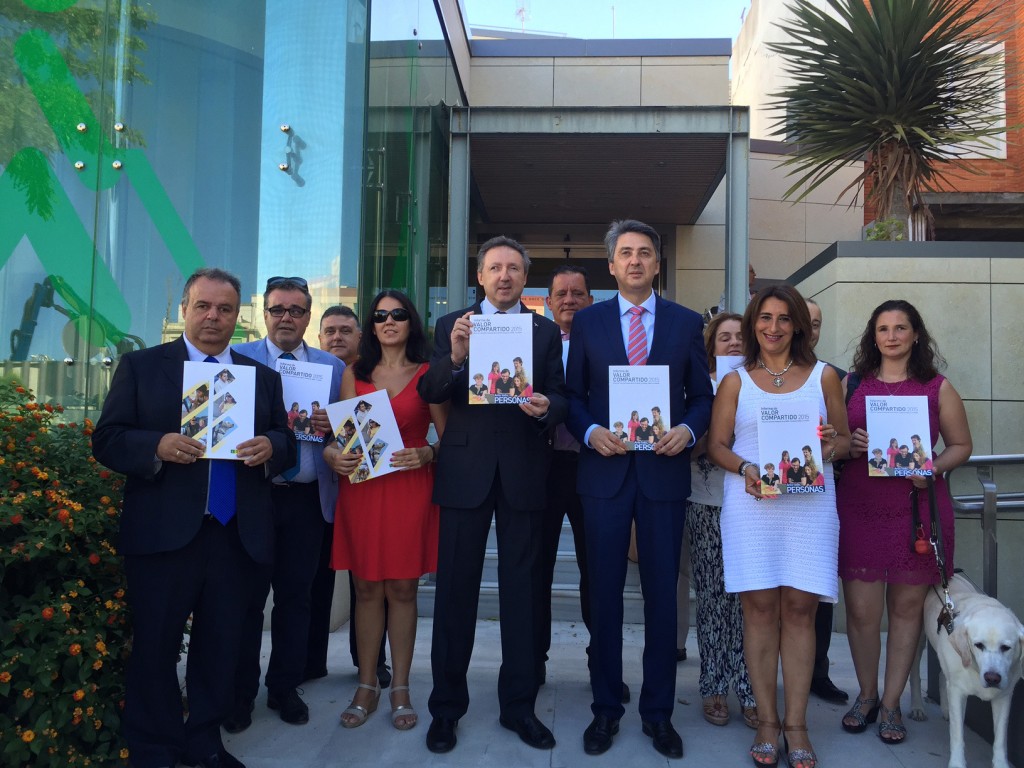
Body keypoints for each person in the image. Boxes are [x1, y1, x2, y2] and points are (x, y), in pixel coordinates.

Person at [92, 268, 295, 768]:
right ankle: (155, 748)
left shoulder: (261, 378)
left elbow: (285, 440)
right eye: (203, 306)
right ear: (185, 309)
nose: (213, 317)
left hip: (235, 535)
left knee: (220, 646)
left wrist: (272, 446)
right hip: (164, 535)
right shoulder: (142, 367)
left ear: (238, 316)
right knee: (156, 645)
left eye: (225, 309)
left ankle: (205, 741)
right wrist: (155, 445)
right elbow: (108, 439)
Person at [565, 219, 713, 759]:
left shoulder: (685, 322)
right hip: (604, 475)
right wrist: (589, 431)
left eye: (644, 252)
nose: (634, 261)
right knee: (603, 595)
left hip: (662, 475)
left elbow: (701, 397)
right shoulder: (588, 322)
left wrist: (688, 430)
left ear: (656, 263)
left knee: (661, 599)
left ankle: (658, 714)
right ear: (611, 265)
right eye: (625, 253)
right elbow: (571, 395)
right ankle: (606, 708)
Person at [418, 235, 567, 754]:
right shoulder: (451, 324)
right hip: (466, 470)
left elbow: (561, 395)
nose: (504, 276)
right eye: (495, 268)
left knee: (523, 593)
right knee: (454, 594)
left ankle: (518, 707)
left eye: (514, 268)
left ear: (525, 277)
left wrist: (548, 407)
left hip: (524, 470)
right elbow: (431, 390)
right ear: (480, 276)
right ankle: (445, 709)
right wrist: (457, 358)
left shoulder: (544, 332)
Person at [707, 284, 849, 768]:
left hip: (809, 509)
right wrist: (746, 467)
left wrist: (829, 444)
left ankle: (797, 725)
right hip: (752, 507)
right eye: (765, 318)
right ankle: (768, 722)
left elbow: (843, 443)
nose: (773, 327)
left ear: (798, 326)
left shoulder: (824, 377)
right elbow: (717, 445)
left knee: (801, 612)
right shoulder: (736, 381)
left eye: (784, 318)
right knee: (761, 612)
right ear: (753, 324)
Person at [838, 299, 972, 745]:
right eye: (883, 328)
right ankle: (867, 695)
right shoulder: (852, 384)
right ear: (873, 336)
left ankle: (892, 703)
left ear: (916, 335)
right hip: (860, 508)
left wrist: (932, 468)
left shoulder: (937, 387)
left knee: (906, 610)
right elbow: (829, 440)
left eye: (900, 328)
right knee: (861, 612)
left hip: (916, 512)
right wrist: (850, 444)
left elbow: (961, 445)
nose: (891, 336)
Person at [324, 290, 447, 731]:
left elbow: (448, 437)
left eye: (397, 314)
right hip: (362, 488)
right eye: (379, 316)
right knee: (365, 589)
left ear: (411, 322)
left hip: (409, 487)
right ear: (371, 327)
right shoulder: (353, 373)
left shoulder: (430, 372)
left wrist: (428, 453)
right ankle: (366, 684)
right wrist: (331, 454)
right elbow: (339, 438)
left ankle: (401, 687)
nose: (389, 321)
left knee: (403, 589)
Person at [226, 276, 345, 731]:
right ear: (264, 314)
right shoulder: (238, 360)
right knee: (247, 600)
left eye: (296, 310)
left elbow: (348, 433)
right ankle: (240, 694)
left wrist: (333, 426)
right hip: (254, 496)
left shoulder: (333, 367)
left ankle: (284, 687)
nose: (286, 318)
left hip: (307, 500)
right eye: (278, 309)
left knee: (297, 599)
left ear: (308, 316)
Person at [685, 312, 758, 730]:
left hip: (757, 506)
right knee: (713, 602)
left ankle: (751, 688)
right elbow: (687, 449)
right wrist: (712, 434)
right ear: (711, 346)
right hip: (707, 504)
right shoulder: (699, 390)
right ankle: (713, 686)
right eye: (724, 337)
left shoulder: (765, 385)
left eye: (740, 336)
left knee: (753, 603)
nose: (733, 343)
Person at [536, 265, 597, 693]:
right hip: (541, 468)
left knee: (596, 571)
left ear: (590, 300)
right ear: (548, 302)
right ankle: (533, 661)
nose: (569, 300)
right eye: (561, 293)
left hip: (592, 465)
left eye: (578, 293)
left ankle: (602, 664)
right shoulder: (534, 343)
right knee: (536, 570)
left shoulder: (602, 343)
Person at [805, 297, 850, 705]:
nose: (810, 329)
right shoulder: (751, 376)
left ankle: (817, 673)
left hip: (819, 500)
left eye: (817, 323)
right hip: (764, 499)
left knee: (818, 594)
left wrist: (835, 444)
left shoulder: (835, 377)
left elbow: (847, 440)